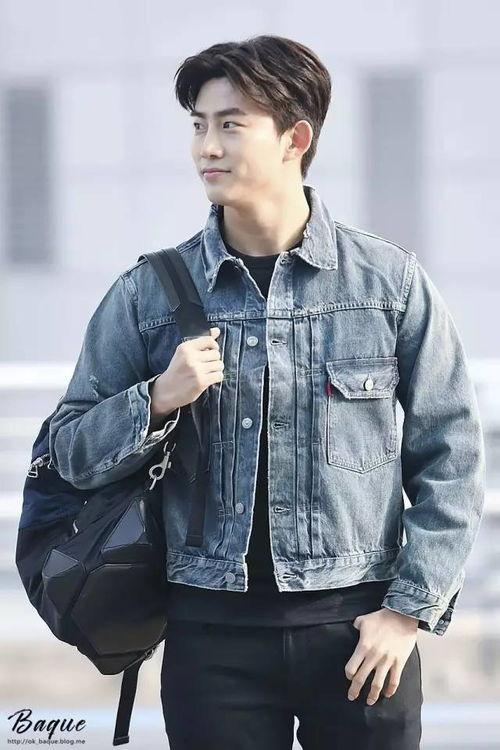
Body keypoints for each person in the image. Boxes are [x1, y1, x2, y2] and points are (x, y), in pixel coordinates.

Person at [49, 35, 486, 750]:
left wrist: (407, 612)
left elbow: (452, 456)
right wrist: (155, 398)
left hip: (360, 638)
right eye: (198, 124)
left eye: (231, 124)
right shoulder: (147, 295)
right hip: (209, 640)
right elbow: (69, 452)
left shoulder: (388, 285)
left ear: (295, 138)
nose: (207, 147)